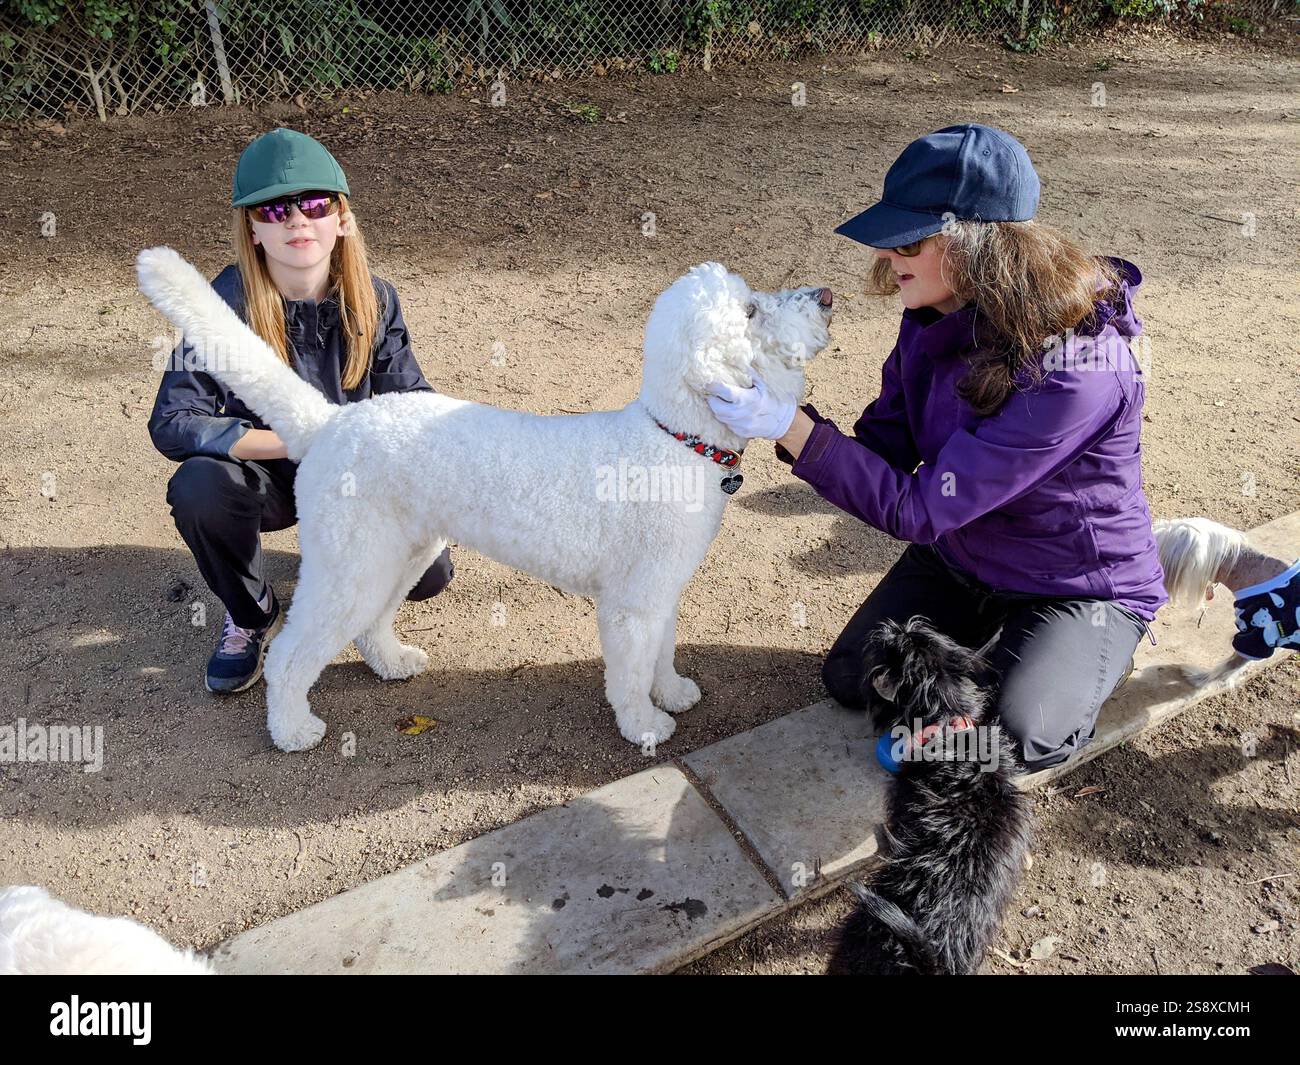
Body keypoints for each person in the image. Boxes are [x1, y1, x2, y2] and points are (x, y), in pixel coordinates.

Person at [707, 123, 1168, 771]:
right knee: (854, 675)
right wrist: (788, 410)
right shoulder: (933, 314)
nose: (887, 253)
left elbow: (921, 507)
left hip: (1074, 583)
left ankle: (1085, 653)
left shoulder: (1076, 369)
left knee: (1018, 733)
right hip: (966, 555)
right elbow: (885, 448)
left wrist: (793, 428)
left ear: (978, 244)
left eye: (909, 238)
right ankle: (1007, 655)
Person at [148, 127, 453, 694]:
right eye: (275, 209)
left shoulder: (375, 298)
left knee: (430, 575)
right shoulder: (225, 304)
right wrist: (297, 440)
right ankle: (250, 611)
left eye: (315, 205)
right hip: (269, 475)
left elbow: (411, 395)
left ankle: (360, 605)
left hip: (352, 478)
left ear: (340, 219)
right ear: (254, 229)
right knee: (200, 488)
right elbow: (174, 420)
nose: (297, 221)